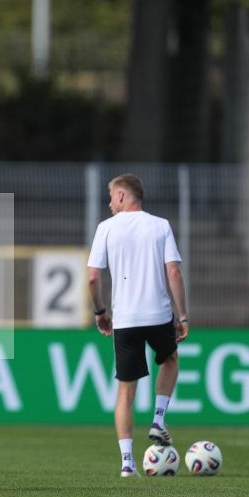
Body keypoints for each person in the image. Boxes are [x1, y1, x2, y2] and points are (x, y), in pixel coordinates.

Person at [86, 173, 189, 478]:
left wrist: (100, 311)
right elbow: (174, 273)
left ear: (121, 196)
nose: (108, 203)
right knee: (169, 360)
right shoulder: (160, 226)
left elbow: (92, 277)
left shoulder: (106, 229)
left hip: (126, 319)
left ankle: (127, 463)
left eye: (110, 196)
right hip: (158, 314)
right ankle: (158, 419)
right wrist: (182, 316)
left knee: (125, 392)